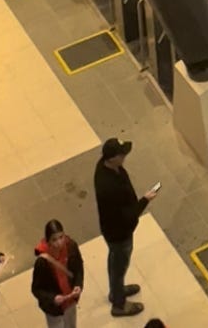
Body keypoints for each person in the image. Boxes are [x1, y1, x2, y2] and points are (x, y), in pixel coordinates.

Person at [93, 137, 157, 317]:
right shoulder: (109, 186)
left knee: (116, 262)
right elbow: (126, 215)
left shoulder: (107, 167)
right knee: (119, 265)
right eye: (122, 155)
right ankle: (119, 304)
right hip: (119, 233)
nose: (124, 158)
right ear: (112, 158)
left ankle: (117, 291)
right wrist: (145, 200)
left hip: (115, 229)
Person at [32, 221, 84, 326]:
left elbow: (78, 268)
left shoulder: (71, 247)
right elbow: (36, 289)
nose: (59, 242)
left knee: (71, 325)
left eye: (61, 237)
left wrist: (78, 284)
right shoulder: (42, 262)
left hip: (70, 300)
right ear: (48, 241)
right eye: (54, 239)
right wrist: (52, 298)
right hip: (54, 308)